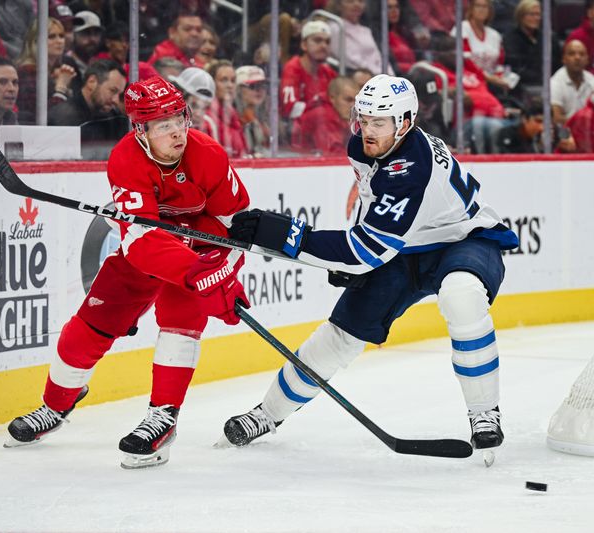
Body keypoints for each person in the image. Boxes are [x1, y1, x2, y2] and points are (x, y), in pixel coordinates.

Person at [221, 74, 518, 456]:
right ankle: (268, 413)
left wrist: (284, 235)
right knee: (341, 334)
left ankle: (484, 413)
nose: (367, 130)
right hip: (404, 248)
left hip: (463, 240)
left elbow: (365, 252)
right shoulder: (365, 146)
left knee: (462, 295)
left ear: (405, 123)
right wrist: (347, 247)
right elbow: (370, 203)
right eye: (362, 119)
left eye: (379, 122)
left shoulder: (412, 168)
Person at [5, 76, 251, 469]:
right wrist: (193, 269)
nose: (176, 131)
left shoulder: (208, 154)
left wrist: (220, 273)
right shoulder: (125, 159)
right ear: (141, 130)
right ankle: (55, 406)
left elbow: (235, 226)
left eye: (179, 118)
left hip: (204, 247)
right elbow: (141, 243)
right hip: (151, 254)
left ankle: (163, 418)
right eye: (162, 124)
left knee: (179, 323)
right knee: (85, 331)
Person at [48, 59, 128, 160]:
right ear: (92, 81)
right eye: (112, 91)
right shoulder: (64, 116)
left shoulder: (114, 119)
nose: (116, 100)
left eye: (119, 94)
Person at [15, 17, 79, 125]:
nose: (59, 41)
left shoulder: (55, 71)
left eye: (61, 36)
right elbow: (42, 118)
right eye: (51, 36)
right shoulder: (27, 72)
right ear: (36, 41)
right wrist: (61, 88)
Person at [503, 0, 561, 102]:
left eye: (538, 14)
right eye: (532, 14)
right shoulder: (511, 38)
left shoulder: (548, 38)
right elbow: (516, 70)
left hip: (549, 84)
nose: (536, 18)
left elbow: (557, 64)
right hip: (523, 87)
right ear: (521, 16)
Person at [280, 20, 337, 122]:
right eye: (317, 40)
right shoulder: (292, 68)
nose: (324, 46)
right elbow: (290, 110)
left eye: (327, 42)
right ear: (304, 45)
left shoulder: (328, 72)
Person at [290, 75, 357, 155]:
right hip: (302, 162)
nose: (353, 106)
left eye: (355, 101)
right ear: (332, 98)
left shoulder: (338, 114)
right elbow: (333, 152)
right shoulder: (323, 115)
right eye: (348, 100)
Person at [450, 0, 508, 91]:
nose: (482, 10)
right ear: (471, 9)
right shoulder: (462, 28)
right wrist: (488, 78)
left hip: (492, 82)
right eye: (478, 6)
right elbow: (465, 60)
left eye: (485, 7)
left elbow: (499, 63)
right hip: (468, 80)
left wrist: (499, 77)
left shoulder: (495, 35)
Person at [327, 0, 394, 75]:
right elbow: (350, 60)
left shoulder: (366, 30)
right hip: (354, 76)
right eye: (350, 1)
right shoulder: (336, 28)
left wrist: (390, 74)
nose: (357, 4)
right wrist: (378, 74)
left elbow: (378, 57)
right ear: (339, 6)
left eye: (360, 1)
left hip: (378, 75)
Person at [550, 39, 594, 125]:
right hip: (564, 133)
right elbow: (556, 118)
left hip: (590, 132)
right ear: (564, 59)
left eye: (582, 54)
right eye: (572, 54)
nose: (577, 58)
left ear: (587, 59)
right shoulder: (554, 83)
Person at [206, 59, 248, 158]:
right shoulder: (207, 119)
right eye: (224, 80)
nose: (230, 85)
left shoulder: (233, 116)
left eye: (233, 81)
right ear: (211, 83)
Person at [169, 66, 217, 138]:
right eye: (194, 105)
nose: (199, 114)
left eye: (205, 108)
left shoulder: (209, 125)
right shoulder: (160, 124)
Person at [235, 65, 269, 157]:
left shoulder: (268, 118)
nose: (259, 90)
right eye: (252, 86)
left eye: (262, 86)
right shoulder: (235, 120)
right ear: (239, 90)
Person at [67, 10, 104, 78]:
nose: (92, 39)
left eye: (96, 33)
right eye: (86, 33)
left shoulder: (99, 65)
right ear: (74, 35)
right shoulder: (66, 64)